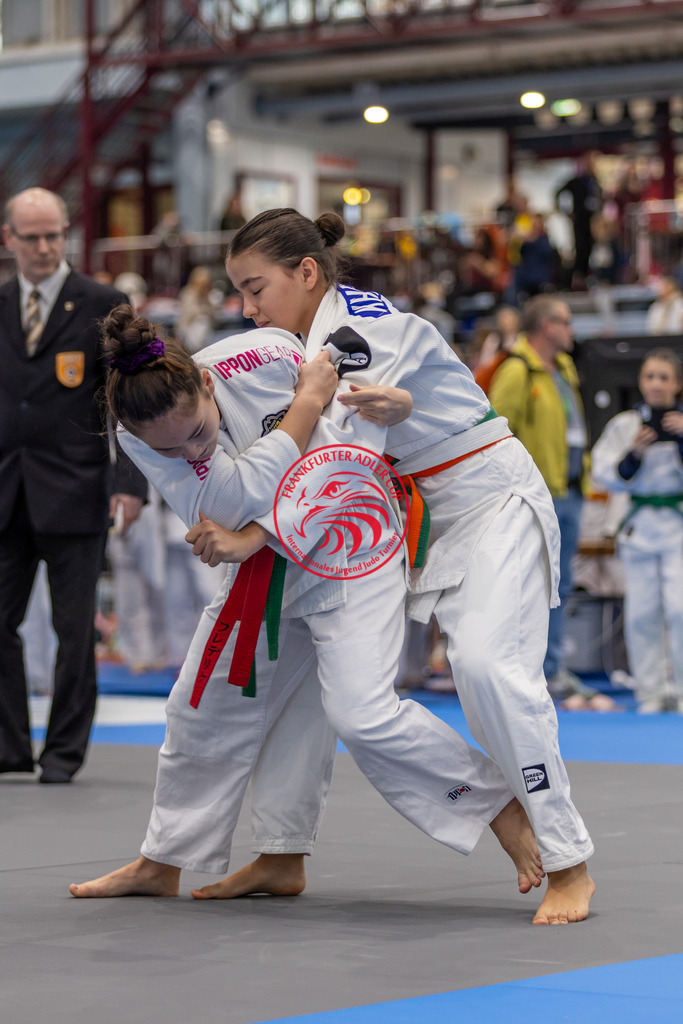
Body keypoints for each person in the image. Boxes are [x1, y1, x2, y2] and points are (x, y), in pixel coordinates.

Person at [113, 209, 594, 924]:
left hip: (484, 497)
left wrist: (252, 538)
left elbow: (343, 462)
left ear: (306, 274)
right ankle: (279, 850)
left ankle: (565, 856)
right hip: (403, 510)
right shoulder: (287, 347)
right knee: (289, 683)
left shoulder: (359, 333)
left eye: (255, 288)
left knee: (489, 670)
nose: (246, 307)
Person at [0, 187, 147, 784]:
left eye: (53, 235)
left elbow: (135, 397)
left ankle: (62, 753)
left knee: (73, 630)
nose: (43, 247)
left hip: (77, 491)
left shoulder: (106, 302)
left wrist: (131, 482)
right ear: (8, 238)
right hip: (6, 491)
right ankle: (8, 746)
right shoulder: (0, 302)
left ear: (66, 234)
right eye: (30, 237)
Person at [488, 295, 595, 705]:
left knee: (561, 584)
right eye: (566, 322)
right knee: (532, 586)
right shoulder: (516, 370)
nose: (571, 330)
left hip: (569, 487)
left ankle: (551, 670)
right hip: (537, 494)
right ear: (547, 326)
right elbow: (495, 430)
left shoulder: (563, 368)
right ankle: (529, 672)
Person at [591, 349, 683, 713]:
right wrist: (633, 455)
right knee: (642, 611)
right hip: (639, 526)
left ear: (676, 384)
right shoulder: (625, 425)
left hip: (677, 525)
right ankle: (650, 692)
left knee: (680, 609)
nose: (656, 384)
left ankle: (679, 689)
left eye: (664, 377)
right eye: (649, 377)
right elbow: (602, 472)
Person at [555, 152, 603, 288]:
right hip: (579, 221)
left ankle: (587, 277)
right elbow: (558, 192)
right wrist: (564, 211)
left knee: (591, 249)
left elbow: (600, 199)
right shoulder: (576, 181)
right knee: (580, 249)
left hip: (593, 222)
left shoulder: (595, 181)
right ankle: (577, 278)